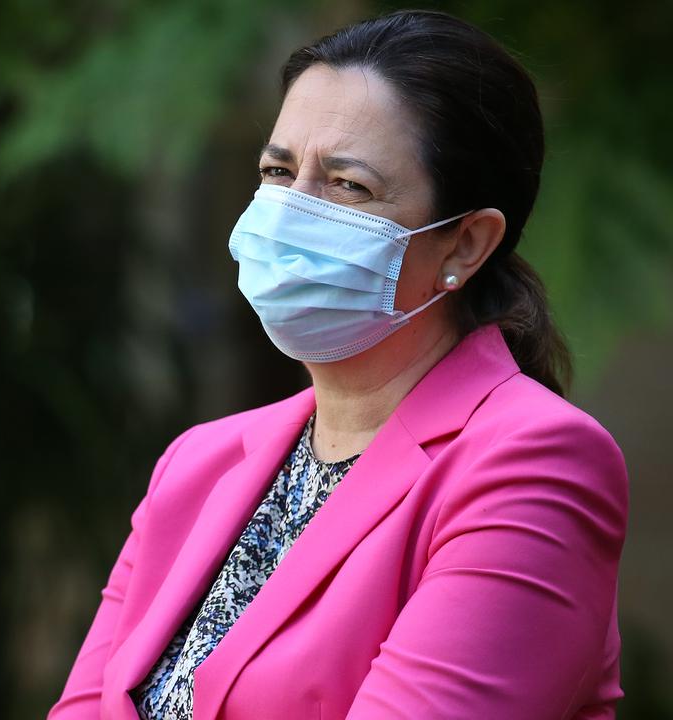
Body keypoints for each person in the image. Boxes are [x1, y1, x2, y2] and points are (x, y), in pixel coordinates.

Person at [50, 10, 627, 720]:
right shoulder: (197, 465)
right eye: (278, 170)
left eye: (347, 185)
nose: (289, 212)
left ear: (465, 244)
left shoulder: (531, 464)